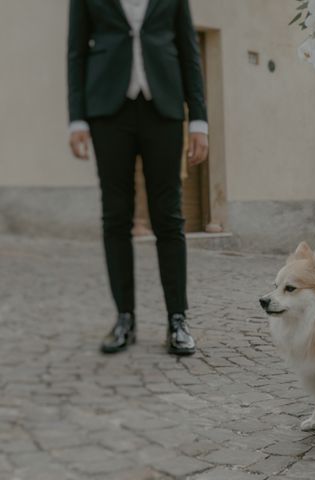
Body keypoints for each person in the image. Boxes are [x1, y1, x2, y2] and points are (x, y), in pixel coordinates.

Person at [67, 0, 209, 355]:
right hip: (106, 110)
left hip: (163, 105)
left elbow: (189, 49)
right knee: (115, 216)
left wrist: (199, 120)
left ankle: (177, 319)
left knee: (170, 216)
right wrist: (77, 118)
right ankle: (124, 317)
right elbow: (75, 52)